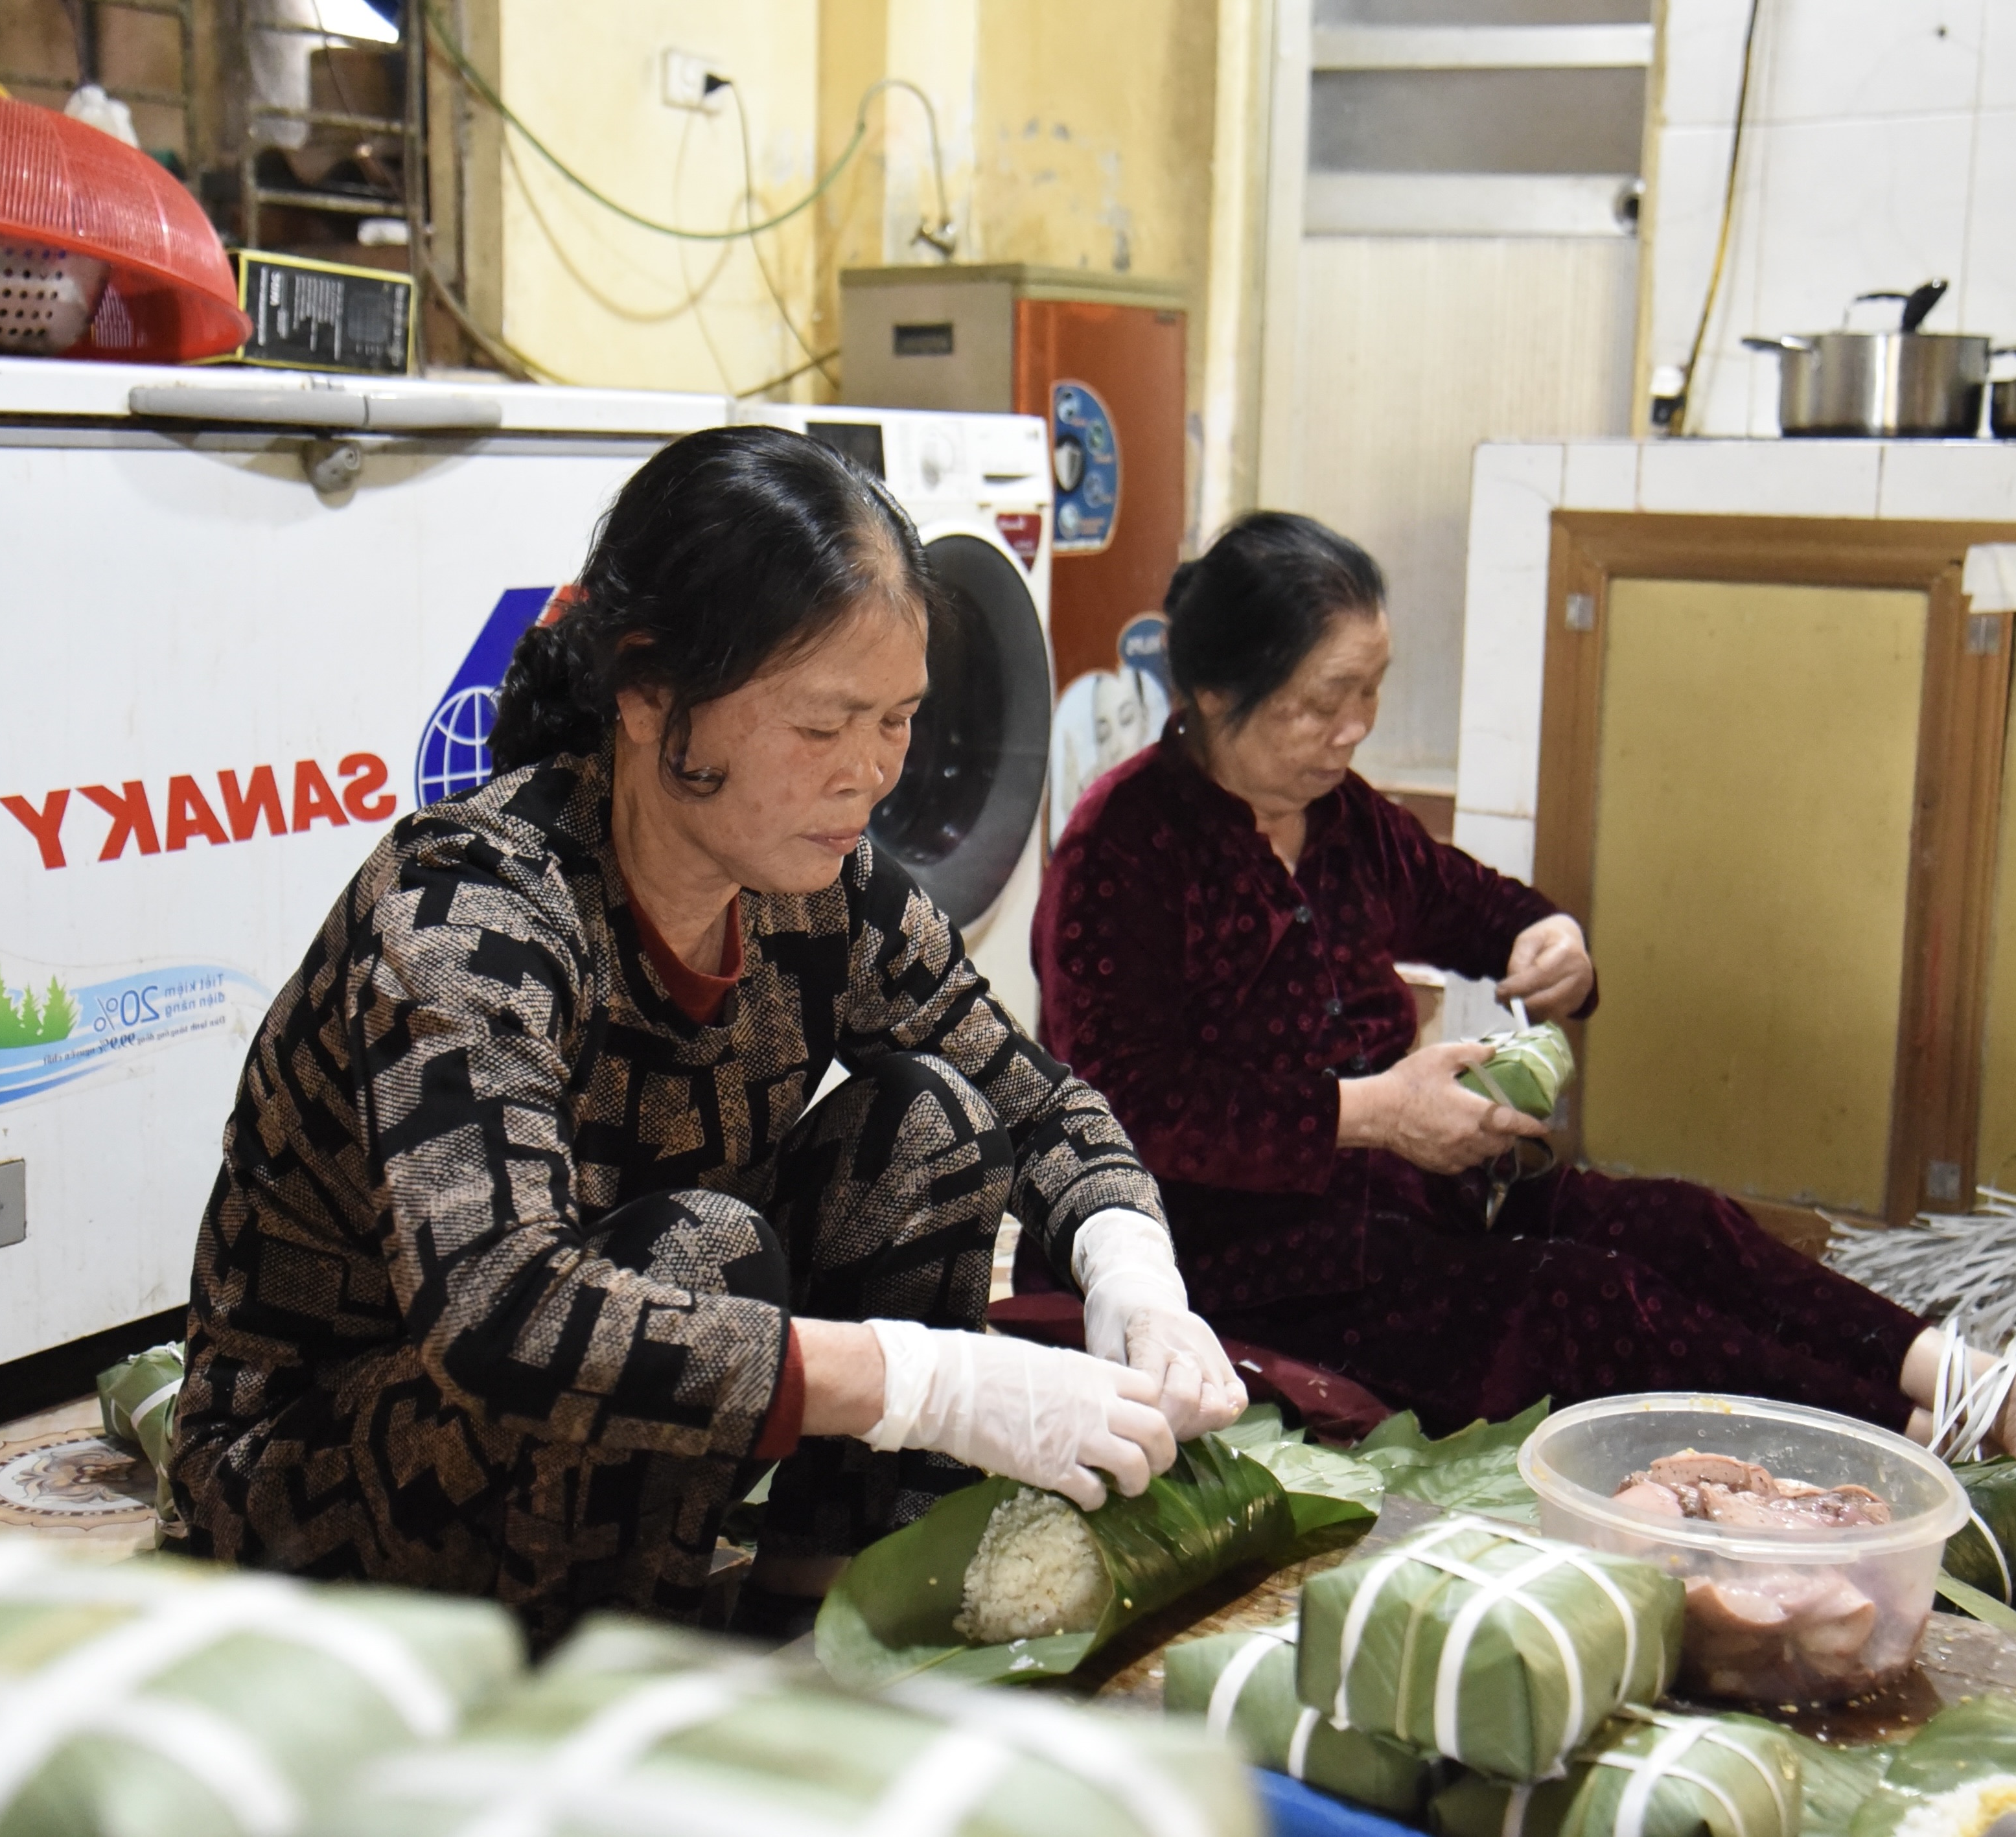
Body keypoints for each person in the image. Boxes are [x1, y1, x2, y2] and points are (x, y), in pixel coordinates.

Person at [172, 426, 1245, 1644]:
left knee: (936, 1121)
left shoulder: (821, 888)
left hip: (632, 1413)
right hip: (330, 1463)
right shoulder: (471, 907)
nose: (870, 776)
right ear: (648, 691)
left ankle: (823, 1589)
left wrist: (1132, 1275)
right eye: (823, 725)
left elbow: (1035, 1100)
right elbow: (501, 1313)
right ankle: (617, 1662)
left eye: (896, 720)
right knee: (703, 1252)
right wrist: (930, 1387)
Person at [1032, 510, 2016, 1457]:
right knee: (1572, 1300)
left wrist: (1552, 939)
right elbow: (1115, 1105)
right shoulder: (1123, 847)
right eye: (1325, 702)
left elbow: (1480, 908)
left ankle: (2000, 1386)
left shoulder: (1344, 816)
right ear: (1220, 693)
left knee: (1679, 1225)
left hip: (1407, 1203)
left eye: (1371, 693)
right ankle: (1927, 1444)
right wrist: (1374, 1115)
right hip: (1230, 1253)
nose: (1354, 730)